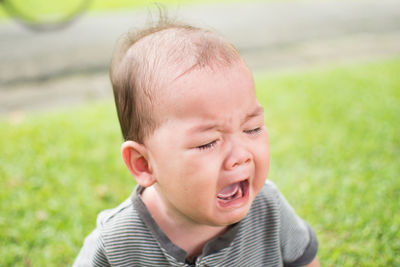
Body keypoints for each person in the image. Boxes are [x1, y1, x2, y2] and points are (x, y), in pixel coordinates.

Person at [73, 16, 320, 267]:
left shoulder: (269, 209)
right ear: (144, 164)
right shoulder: (117, 242)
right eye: (207, 143)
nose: (241, 155)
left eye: (253, 128)